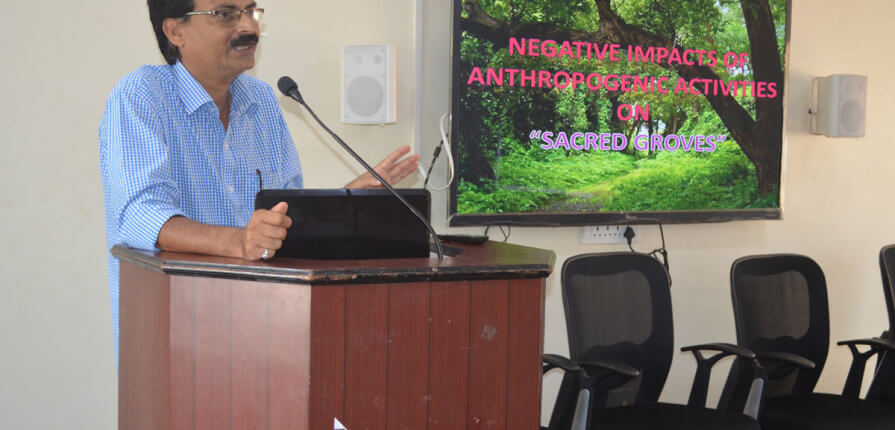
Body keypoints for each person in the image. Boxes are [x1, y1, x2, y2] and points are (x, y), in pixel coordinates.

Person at [99, 0, 419, 357]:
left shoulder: (263, 100)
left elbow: (283, 217)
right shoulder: (142, 95)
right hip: (179, 339)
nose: (248, 27)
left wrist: (343, 201)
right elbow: (141, 218)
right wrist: (239, 242)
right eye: (226, 14)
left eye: (251, 11)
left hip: (266, 333)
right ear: (176, 31)